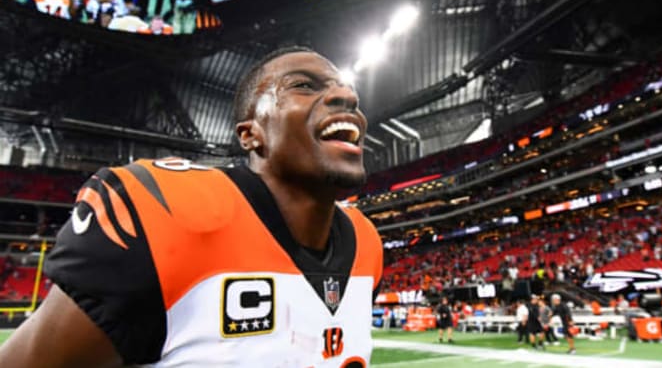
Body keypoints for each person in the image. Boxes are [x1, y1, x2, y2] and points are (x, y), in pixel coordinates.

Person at [0, 46, 384, 367]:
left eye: (348, 91)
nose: (347, 97)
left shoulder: (365, 242)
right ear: (251, 134)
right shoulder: (167, 214)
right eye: (303, 86)